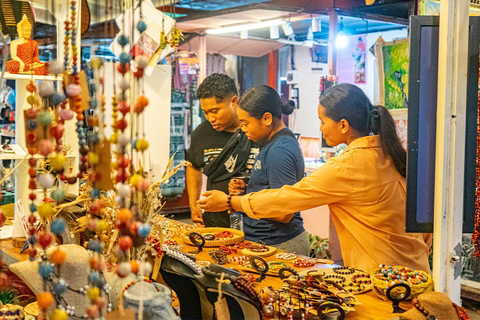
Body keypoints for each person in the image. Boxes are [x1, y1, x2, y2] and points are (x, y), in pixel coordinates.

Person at [198, 83, 431, 273]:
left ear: (343, 125)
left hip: (383, 276)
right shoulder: (391, 153)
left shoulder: (348, 165)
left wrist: (231, 202)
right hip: (414, 270)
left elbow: (287, 199)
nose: (320, 128)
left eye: (322, 121)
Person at [226, 85, 309, 255]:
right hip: (269, 242)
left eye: (246, 123)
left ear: (266, 119)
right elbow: (272, 191)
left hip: (279, 244)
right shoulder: (273, 143)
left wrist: (237, 204)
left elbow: (283, 212)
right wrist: (248, 189)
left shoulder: (280, 150)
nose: (243, 129)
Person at [186, 73, 259, 228]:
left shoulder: (256, 131)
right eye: (205, 112)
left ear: (234, 102)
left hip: (256, 224)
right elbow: (193, 166)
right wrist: (193, 205)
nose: (210, 118)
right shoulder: (201, 134)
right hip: (216, 224)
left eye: (215, 110)